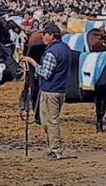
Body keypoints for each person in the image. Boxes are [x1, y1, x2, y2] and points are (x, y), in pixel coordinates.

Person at [20, 22, 74, 160]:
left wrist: (32, 63)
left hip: (50, 90)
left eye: (45, 34)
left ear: (52, 36)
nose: (43, 36)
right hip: (60, 89)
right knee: (50, 120)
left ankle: (55, 150)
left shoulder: (51, 52)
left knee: (50, 121)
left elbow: (45, 73)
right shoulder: (65, 48)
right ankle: (52, 148)